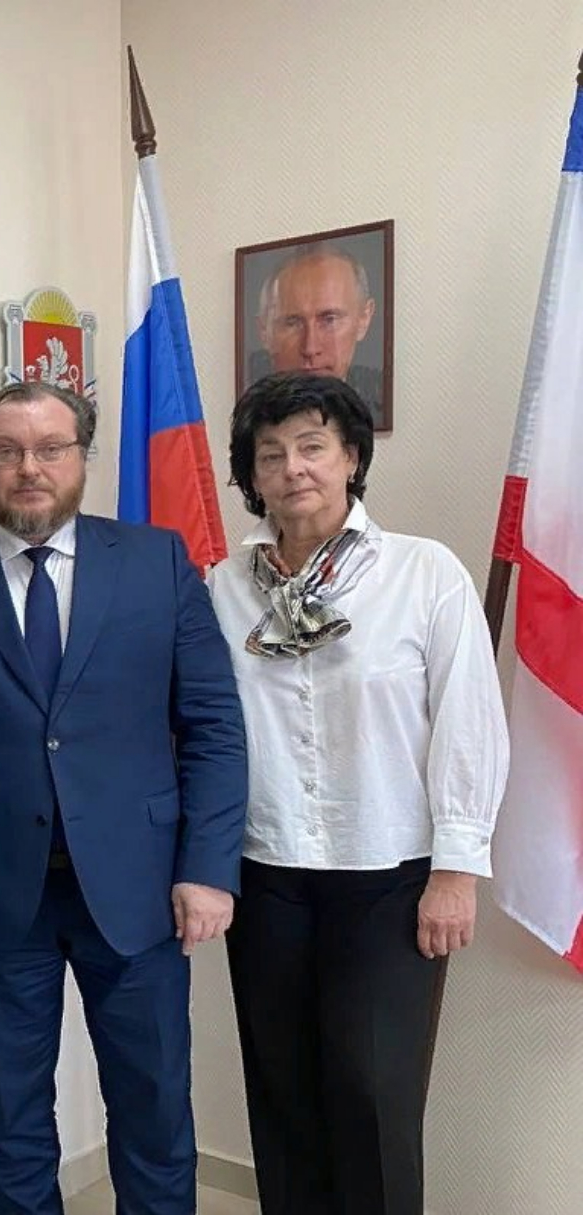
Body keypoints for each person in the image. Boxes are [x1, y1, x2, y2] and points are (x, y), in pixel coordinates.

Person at [0, 380, 247, 1215]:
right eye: (6, 450)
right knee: (10, 1124)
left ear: (83, 458)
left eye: (50, 448)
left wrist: (208, 867)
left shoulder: (156, 561)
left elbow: (213, 724)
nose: (28, 468)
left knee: (153, 1114)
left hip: (141, 889)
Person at [211, 372, 508, 1215]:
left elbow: (469, 720)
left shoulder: (422, 572)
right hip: (265, 872)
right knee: (283, 1095)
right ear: (252, 475)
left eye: (313, 446)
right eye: (271, 454)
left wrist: (456, 869)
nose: (293, 468)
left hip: (389, 875)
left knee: (374, 1095)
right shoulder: (222, 587)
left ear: (350, 457)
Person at [251, 243, 383, 419]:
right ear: (264, 331)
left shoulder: (378, 396)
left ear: (364, 318)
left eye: (330, 320)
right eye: (292, 323)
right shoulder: (250, 422)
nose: (310, 348)